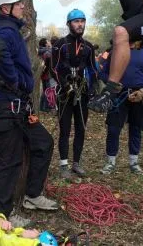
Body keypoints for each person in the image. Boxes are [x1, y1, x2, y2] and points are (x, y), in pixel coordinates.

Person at [0, 0, 58, 227]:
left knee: (43, 143)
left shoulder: (10, 29)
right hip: (6, 108)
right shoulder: (4, 31)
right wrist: (14, 80)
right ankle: (3, 215)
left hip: (16, 108)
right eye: (19, 3)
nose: (24, 6)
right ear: (6, 8)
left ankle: (32, 195)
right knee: (9, 160)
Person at [100, 42, 143, 175]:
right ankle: (110, 162)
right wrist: (112, 84)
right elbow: (103, 72)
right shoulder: (115, 52)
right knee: (113, 129)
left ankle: (134, 162)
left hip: (139, 95)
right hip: (118, 96)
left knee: (136, 129)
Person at [51, 9, 96, 179]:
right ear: (69, 24)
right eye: (76, 21)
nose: (80, 24)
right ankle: (64, 165)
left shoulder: (89, 47)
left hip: (82, 92)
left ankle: (76, 163)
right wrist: (64, 83)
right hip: (65, 93)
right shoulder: (60, 45)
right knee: (65, 129)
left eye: (82, 21)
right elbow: (53, 68)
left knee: (81, 129)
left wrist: (93, 89)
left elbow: (93, 69)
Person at [38, 38, 53, 112]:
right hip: (46, 74)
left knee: (45, 90)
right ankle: (45, 107)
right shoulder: (47, 52)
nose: (49, 42)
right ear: (45, 44)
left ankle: (42, 106)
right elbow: (47, 64)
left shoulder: (41, 51)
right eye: (48, 41)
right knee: (47, 90)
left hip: (43, 74)